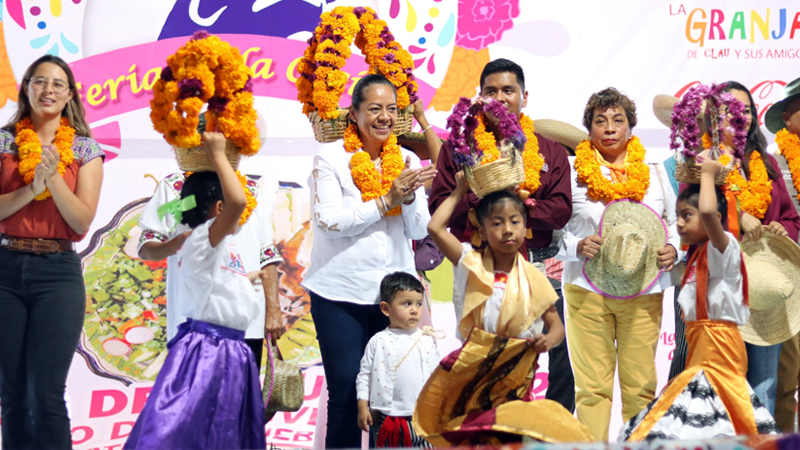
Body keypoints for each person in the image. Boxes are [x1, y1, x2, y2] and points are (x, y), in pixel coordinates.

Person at [428, 58, 574, 412]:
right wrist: (486, 204)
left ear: (524, 97)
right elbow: (439, 206)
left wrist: (519, 208)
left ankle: (548, 432)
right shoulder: (459, 149)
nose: (499, 98)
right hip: (479, 264)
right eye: (490, 90)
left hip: (538, 265)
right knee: (478, 349)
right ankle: (479, 424)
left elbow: (561, 209)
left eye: (508, 90)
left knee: (561, 361)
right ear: (479, 96)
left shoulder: (549, 150)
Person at [301, 74, 435, 448]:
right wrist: (385, 201)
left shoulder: (406, 158)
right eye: (374, 109)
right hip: (338, 293)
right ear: (354, 114)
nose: (384, 117)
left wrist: (408, 198)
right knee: (345, 392)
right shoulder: (330, 158)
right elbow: (329, 222)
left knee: (388, 396)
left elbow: (419, 227)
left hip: (391, 297)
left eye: (391, 109)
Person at [416, 171, 591, 444]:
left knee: (507, 438)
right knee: (471, 437)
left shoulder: (534, 277)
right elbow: (435, 228)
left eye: (514, 221)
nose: (507, 230)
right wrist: (459, 191)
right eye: (497, 223)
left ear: (525, 228)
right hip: (473, 367)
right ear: (482, 230)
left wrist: (549, 339)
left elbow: (556, 324)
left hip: (515, 374)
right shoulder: (468, 262)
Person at [621, 160, 780, 440]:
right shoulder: (696, 257)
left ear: (716, 220)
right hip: (698, 359)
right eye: (678, 215)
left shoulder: (725, 249)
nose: (679, 223)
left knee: (720, 426)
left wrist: (707, 174)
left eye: (686, 215)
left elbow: (708, 210)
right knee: (692, 429)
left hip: (720, 358)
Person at [124, 132, 265, 449]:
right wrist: (216, 155)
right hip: (208, 347)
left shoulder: (225, 236)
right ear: (219, 207)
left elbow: (230, 277)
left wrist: (258, 280)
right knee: (187, 426)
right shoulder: (193, 220)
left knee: (223, 430)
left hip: (233, 346)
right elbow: (235, 203)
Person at [557, 87, 681, 441]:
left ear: (631, 129)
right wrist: (574, 245)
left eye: (618, 120)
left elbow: (676, 223)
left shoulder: (655, 173)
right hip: (585, 290)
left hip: (644, 290)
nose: (610, 128)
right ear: (589, 129)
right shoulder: (571, 172)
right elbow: (552, 227)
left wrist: (674, 248)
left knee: (641, 388)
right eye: (600, 121)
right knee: (592, 390)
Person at [0, 54, 104, 449]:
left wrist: (53, 180)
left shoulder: (84, 149)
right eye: (39, 81)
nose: (48, 89)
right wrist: (31, 188)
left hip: (56, 273)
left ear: (69, 95)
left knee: (44, 395)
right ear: (26, 88)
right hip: (5, 268)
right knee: (11, 395)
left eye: (58, 83)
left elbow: (80, 222)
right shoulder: (3, 141)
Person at [708, 81, 800, 416]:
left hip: (765, 285)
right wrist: (739, 216)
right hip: (723, 284)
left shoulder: (769, 165)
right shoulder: (703, 162)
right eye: (731, 111)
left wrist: (781, 229)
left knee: (765, 385)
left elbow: (792, 220)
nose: (741, 116)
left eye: (746, 109)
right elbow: (695, 216)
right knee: (723, 386)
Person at [138, 168, 283, 368]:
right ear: (220, 208)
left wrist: (273, 309)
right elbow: (146, 248)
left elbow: (266, 254)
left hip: (245, 328)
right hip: (198, 332)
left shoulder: (250, 188)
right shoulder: (176, 189)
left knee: (240, 396)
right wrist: (178, 244)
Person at [356, 272, 439, 448]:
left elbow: (438, 375)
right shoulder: (378, 341)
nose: (414, 310)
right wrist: (363, 407)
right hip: (387, 417)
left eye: (418, 303)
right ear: (386, 309)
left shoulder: (427, 339)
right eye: (406, 303)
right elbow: (365, 375)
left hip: (423, 417)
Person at [764, 76, 800, 432]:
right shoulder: (772, 165)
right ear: (787, 118)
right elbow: (779, 219)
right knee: (786, 376)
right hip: (791, 279)